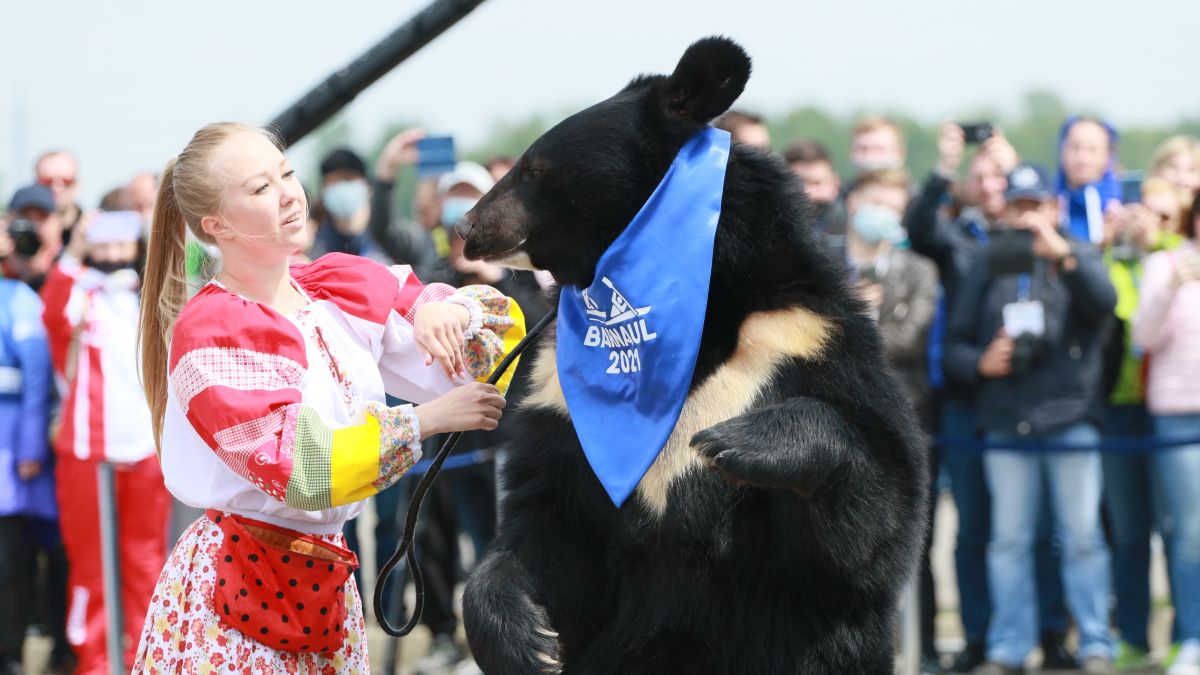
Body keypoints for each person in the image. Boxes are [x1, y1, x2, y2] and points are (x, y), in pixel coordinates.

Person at [131, 122, 522, 673]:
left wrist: (448, 310)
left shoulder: (335, 287)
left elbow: (489, 360)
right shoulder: (212, 330)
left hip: (325, 585)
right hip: (233, 592)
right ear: (215, 224)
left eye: (287, 173)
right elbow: (303, 471)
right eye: (261, 188)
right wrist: (425, 422)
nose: (290, 192)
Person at [907, 125, 1076, 672]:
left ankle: (1052, 633)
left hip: (1028, 397)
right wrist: (945, 164)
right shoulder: (957, 237)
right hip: (965, 394)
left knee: (1041, 529)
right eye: (978, 178)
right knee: (978, 528)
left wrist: (1015, 158)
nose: (989, 185)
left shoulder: (1037, 233)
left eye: (997, 176)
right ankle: (980, 637)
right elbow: (916, 225)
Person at [946, 163, 1117, 674]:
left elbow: (1104, 304)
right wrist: (980, 362)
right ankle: (1009, 647)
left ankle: (1094, 645)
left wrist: (1061, 253)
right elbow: (953, 344)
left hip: (1070, 417)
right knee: (1009, 541)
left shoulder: (1076, 253)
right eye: (1018, 206)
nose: (1026, 216)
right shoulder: (987, 260)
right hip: (1005, 419)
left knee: (1082, 538)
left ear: (1053, 207)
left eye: (1035, 206)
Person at [40, 209, 172, 674]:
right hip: (88, 453)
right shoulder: (81, 294)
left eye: (124, 243)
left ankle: (146, 658)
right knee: (91, 567)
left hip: (146, 453)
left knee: (145, 564)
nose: (114, 254)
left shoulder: (153, 297)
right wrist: (74, 249)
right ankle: (93, 661)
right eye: (104, 244)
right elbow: (54, 314)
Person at [844, 169, 940, 671]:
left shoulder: (919, 270)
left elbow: (907, 340)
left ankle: (915, 652)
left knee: (906, 547)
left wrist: (856, 322)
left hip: (900, 424)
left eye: (893, 203)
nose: (884, 210)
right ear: (855, 201)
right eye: (875, 200)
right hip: (836, 422)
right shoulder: (821, 261)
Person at [1098, 174, 1189, 669]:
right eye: (1139, 208)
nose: (1147, 220)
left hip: (1170, 405)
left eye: (1161, 213)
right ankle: (1132, 634)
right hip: (1117, 403)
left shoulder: (1181, 257)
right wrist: (1108, 245)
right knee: (1129, 529)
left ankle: (1186, 633)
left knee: (1181, 528)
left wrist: (1160, 248)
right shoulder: (1113, 253)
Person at [1133, 194, 1200, 675]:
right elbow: (1142, 337)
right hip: (1179, 415)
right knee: (1191, 534)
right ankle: (1193, 637)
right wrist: (1172, 286)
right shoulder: (1165, 264)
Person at [0, 274, 62, 674]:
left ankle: (10, 652)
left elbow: (37, 377)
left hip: (9, 458)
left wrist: (29, 447)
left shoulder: (17, 297)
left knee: (11, 563)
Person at [1058, 116, 1121, 245]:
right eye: (1075, 148)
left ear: (1107, 156)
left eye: (1092, 150)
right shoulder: (1051, 204)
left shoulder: (1118, 208)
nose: (1082, 158)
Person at [784, 139, 847, 253]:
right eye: (799, 184)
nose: (808, 192)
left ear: (835, 183)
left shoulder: (852, 225)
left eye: (817, 183)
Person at [3, 185, 63, 291]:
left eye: (42, 217)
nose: (34, 226)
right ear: (7, 221)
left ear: (58, 225)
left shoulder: (72, 272)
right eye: (25, 216)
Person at [35, 151, 84, 246]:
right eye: (47, 181)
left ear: (77, 185)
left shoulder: (90, 231)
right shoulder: (21, 228)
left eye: (66, 181)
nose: (56, 188)